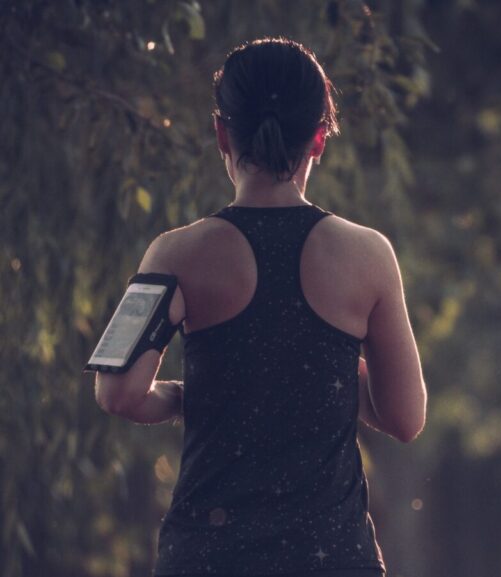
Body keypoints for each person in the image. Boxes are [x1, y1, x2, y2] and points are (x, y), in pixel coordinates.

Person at [93, 37, 427, 577]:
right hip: (332, 560)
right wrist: (328, 374)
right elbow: (405, 417)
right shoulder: (368, 256)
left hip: (207, 558)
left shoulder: (174, 253)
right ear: (319, 138)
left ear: (222, 131)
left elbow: (118, 393)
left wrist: (183, 396)